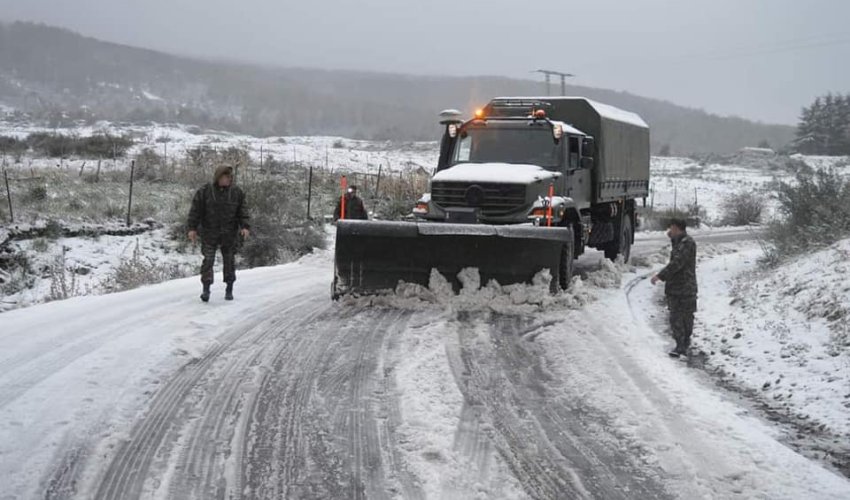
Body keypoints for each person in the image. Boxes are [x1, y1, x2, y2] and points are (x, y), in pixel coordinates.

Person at [187, 165, 250, 302]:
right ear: (218, 177)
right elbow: (195, 211)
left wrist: (244, 226)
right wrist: (192, 228)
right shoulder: (205, 191)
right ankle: (206, 289)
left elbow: (243, 211)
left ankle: (229, 288)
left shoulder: (236, 192)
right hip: (209, 232)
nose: (228, 179)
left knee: (229, 261)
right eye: (225, 176)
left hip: (229, 233)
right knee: (208, 260)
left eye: (230, 177)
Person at [651, 218, 698, 358]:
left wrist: (660, 276)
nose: (669, 231)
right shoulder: (680, 242)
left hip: (684, 287)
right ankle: (681, 345)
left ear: (677, 228)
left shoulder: (687, 243)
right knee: (677, 317)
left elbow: (677, 263)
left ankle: (682, 345)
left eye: (671, 228)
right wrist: (673, 239)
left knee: (683, 316)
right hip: (677, 287)